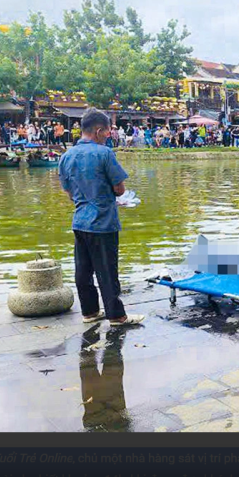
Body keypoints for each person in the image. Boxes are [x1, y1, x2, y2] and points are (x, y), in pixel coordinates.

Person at [58, 108, 144, 327]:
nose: (109, 136)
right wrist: (112, 197)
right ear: (98, 131)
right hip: (103, 222)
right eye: (107, 132)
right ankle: (116, 316)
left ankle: (90, 312)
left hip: (80, 221)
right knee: (107, 271)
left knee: (83, 270)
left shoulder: (66, 156)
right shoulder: (104, 153)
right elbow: (119, 188)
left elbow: (69, 193)